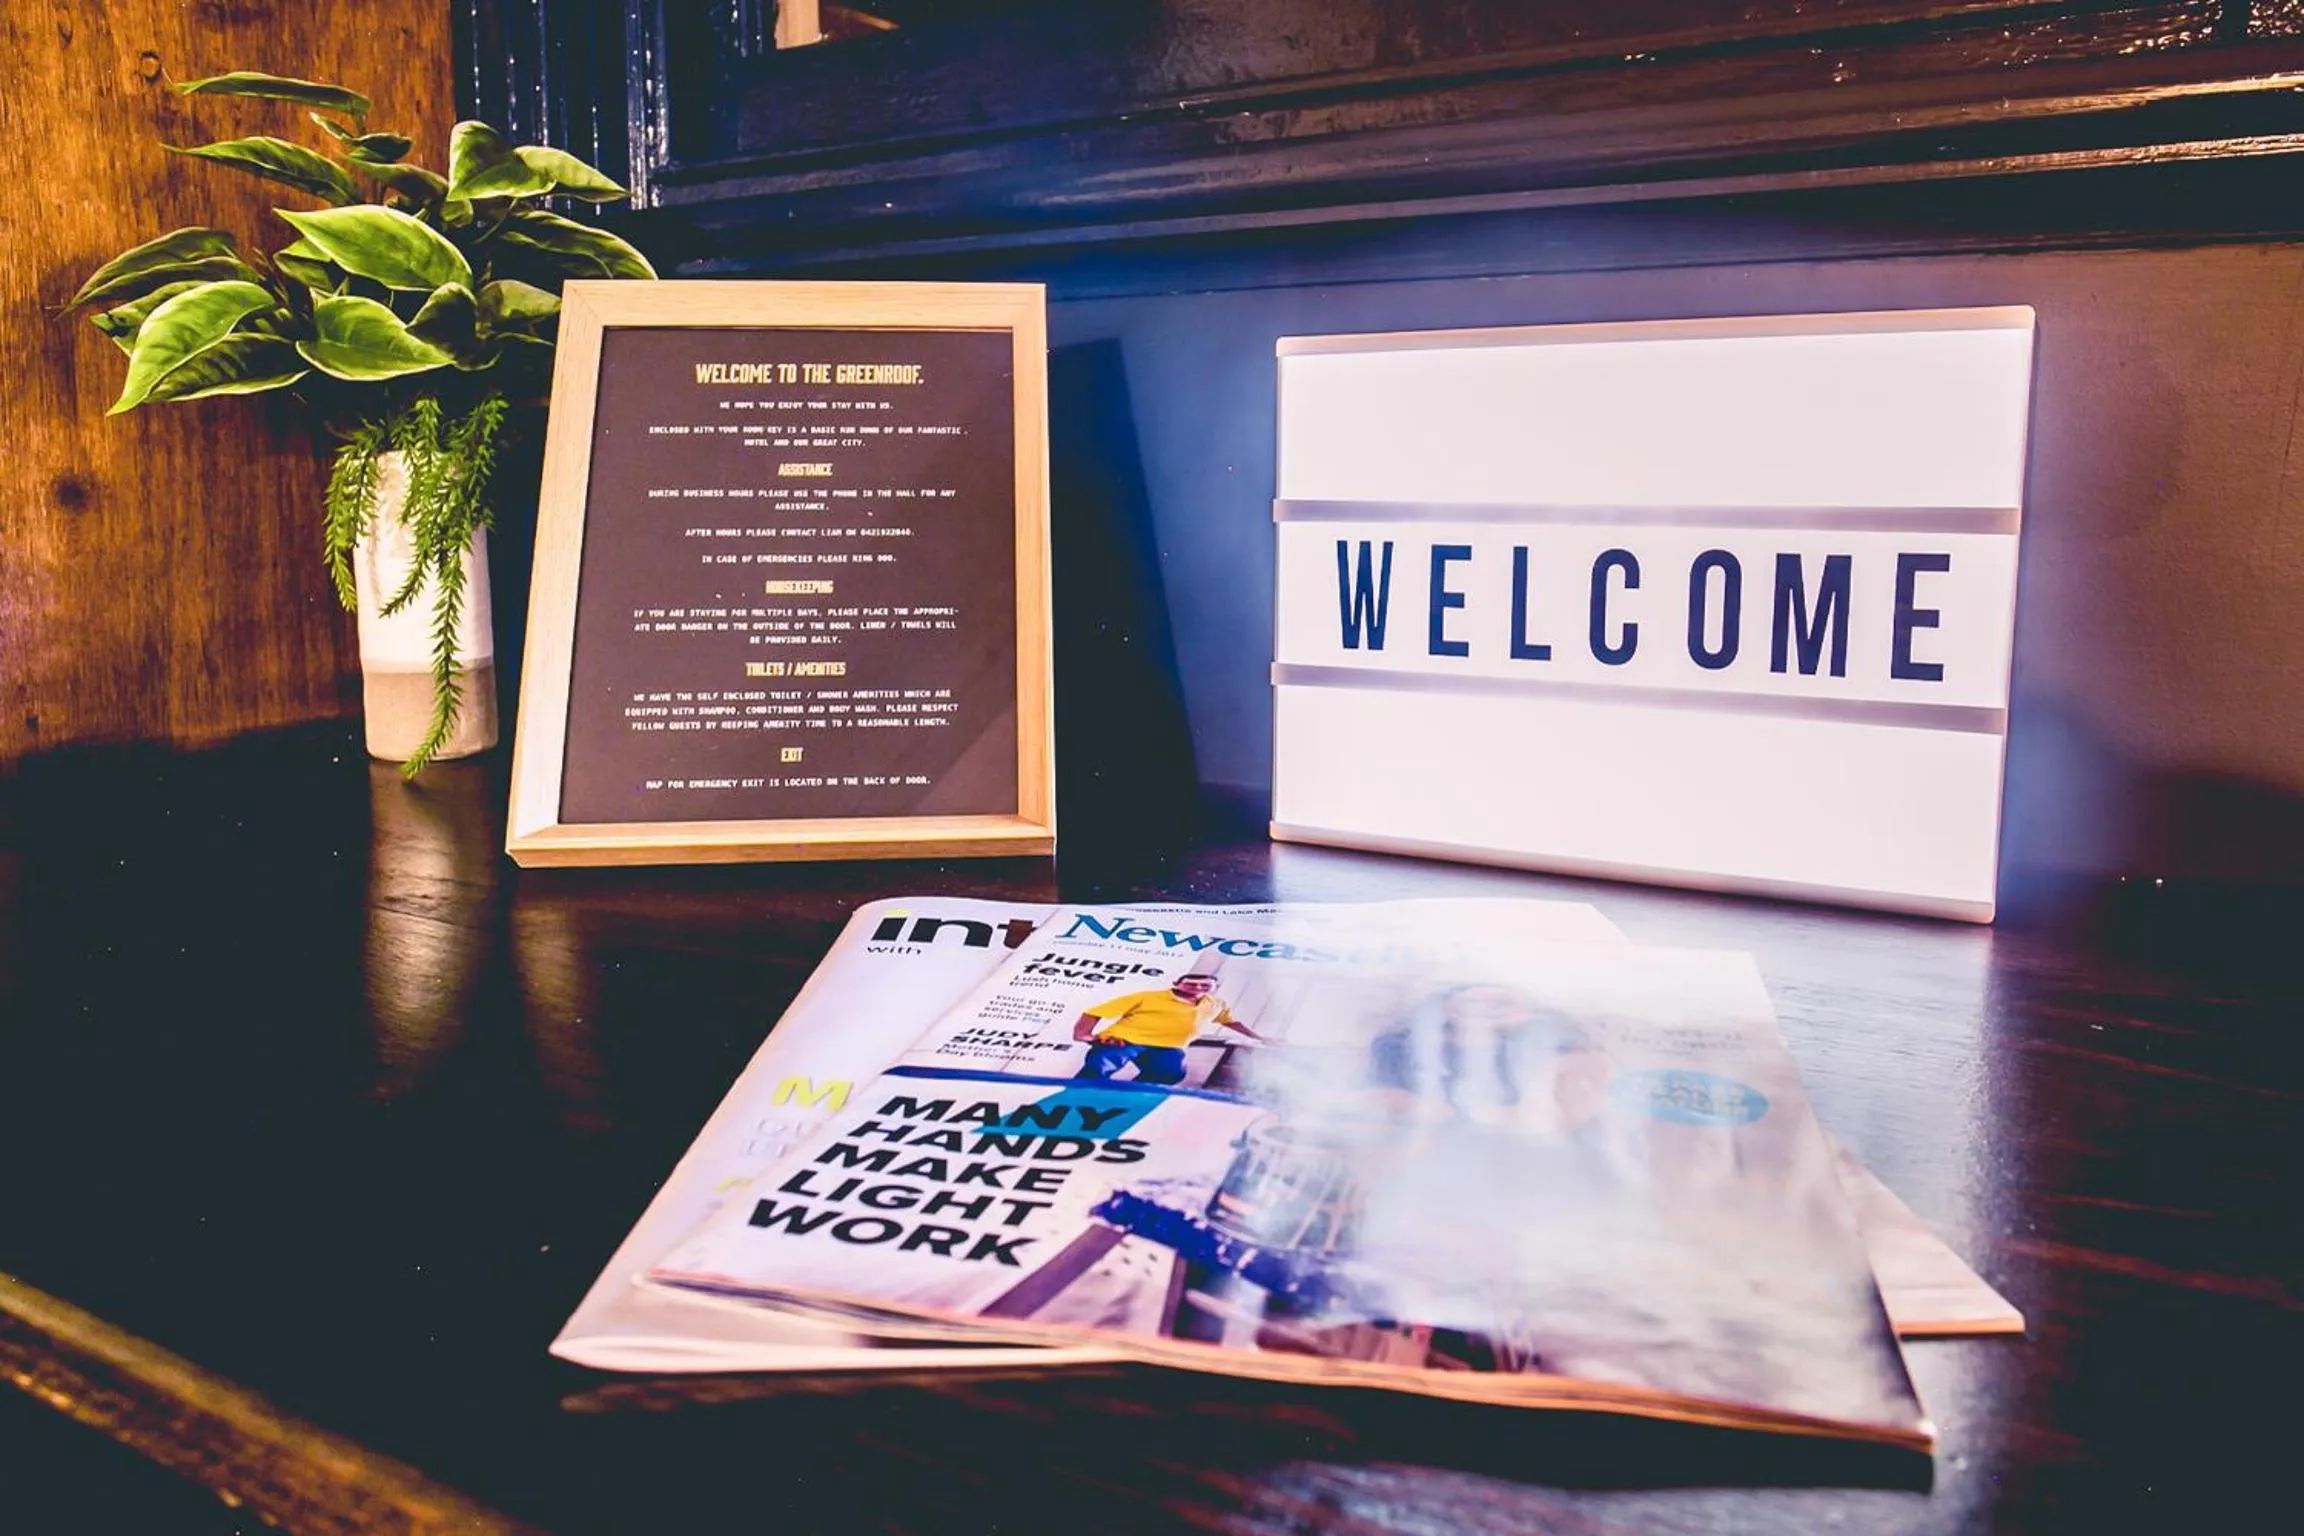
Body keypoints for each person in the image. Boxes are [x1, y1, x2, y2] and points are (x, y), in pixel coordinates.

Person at [1071, 972, 1264, 1085]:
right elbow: (1094, 1011)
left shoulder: (1217, 1004)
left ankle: (1129, 1097)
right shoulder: (1148, 997)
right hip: (1124, 1040)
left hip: (1168, 1047)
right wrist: (1082, 1034)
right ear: (1177, 984)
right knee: (1100, 1067)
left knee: (1170, 1074)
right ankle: (1074, 1097)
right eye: (1190, 984)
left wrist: (1260, 1038)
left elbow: (1231, 1022)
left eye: (1204, 985)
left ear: (1214, 988)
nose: (1197, 987)